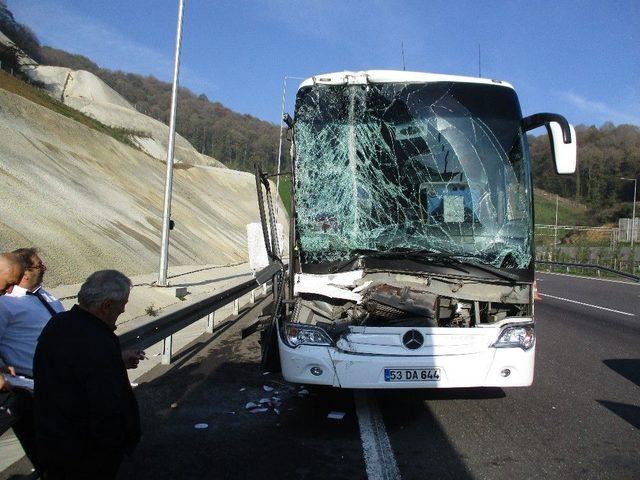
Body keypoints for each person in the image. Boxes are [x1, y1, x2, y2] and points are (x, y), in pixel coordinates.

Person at [34, 270, 141, 480]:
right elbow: (104, 401)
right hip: (86, 452)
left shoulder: (58, 324)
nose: (124, 309)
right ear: (107, 305)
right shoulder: (97, 338)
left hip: (57, 442)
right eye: (123, 304)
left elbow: (75, 371)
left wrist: (116, 361)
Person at [0, 248, 64, 473]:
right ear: (24, 273)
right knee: (49, 458)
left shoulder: (44, 295)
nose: (44, 269)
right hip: (31, 390)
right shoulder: (5, 304)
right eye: (39, 266)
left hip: (59, 385)